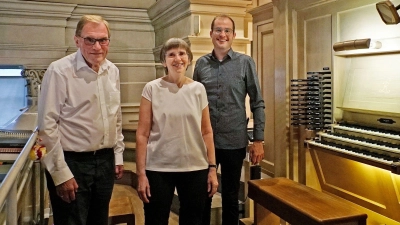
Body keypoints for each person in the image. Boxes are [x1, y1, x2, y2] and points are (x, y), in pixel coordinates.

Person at [37, 15, 125, 225]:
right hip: (72, 162)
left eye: (103, 40)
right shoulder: (59, 71)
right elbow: (47, 126)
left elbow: (116, 116)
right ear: (77, 40)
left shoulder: (112, 70)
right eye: (90, 40)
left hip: (105, 161)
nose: (97, 47)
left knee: (99, 220)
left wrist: (118, 154)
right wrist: (61, 174)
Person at [136, 37, 219, 225]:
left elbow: (207, 131)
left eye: (182, 53)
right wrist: (141, 174)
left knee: (193, 220)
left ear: (189, 59)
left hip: (195, 167)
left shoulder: (198, 89)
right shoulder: (152, 88)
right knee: (155, 219)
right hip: (159, 167)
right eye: (171, 54)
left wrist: (212, 168)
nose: (177, 58)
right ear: (163, 61)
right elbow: (142, 134)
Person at [193, 14, 266, 225]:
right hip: (205, 143)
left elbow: (257, 101)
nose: (222, 34)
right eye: (218, 30)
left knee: (231, 198)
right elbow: (193, 102)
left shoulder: (245, 63)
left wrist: (258, 140)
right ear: (211, 34)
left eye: (227, 31)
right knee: (204, 195)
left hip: (234, 140)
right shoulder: (201, 64)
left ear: (234, 35)